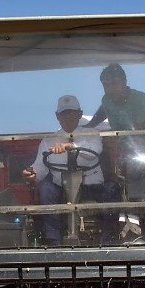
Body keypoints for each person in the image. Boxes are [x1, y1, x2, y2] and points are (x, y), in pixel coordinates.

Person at [22, 95, 114, 244]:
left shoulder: (92, 134)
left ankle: (108, 240)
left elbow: (94, 151)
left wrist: (71, 146)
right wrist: (31, 173)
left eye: (72, 112)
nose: (68, 117)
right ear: (57, 116)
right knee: (46, 189)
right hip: (62, 189)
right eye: (64, 113)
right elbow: (40, 167)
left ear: (79, 114)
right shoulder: (48, 141)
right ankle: (54, 241)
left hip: (92, 186)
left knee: (111, 190)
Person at [83, 63, 145, 131]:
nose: (110, 88)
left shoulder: (141, 100)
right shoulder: (107, 100)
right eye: (106, 85)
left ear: (124, 82)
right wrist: (89, 126)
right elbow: (104, 110)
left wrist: (116, 139)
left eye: (115, 83)